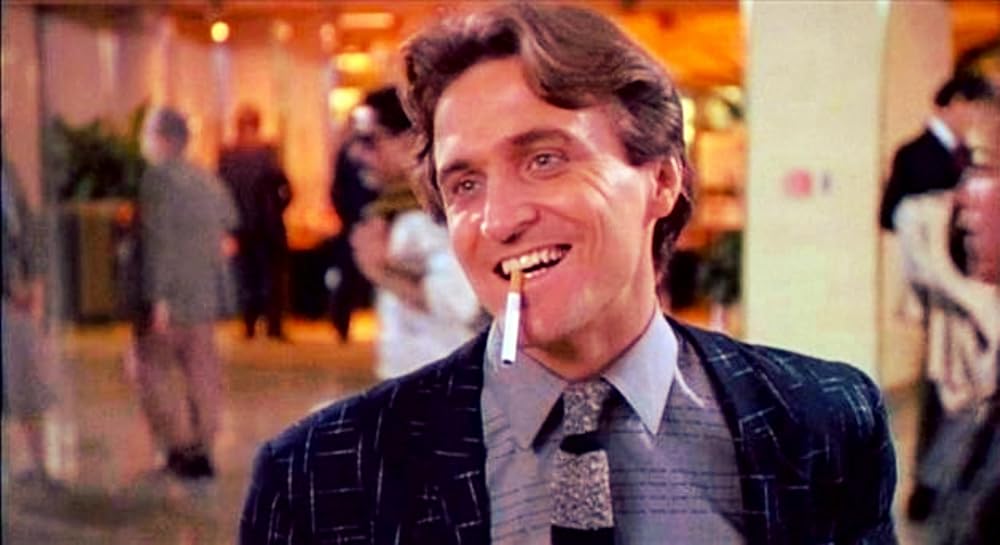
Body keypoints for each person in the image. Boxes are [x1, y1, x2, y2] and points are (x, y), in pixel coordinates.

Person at [240, 4, 896, 544]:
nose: (499, 219)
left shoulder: (822, 423)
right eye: (465, 184)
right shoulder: (320, 476)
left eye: (545, 159)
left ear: (662, 179)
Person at [878, 73, 997, 521]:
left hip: (973, 292)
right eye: (975, 108)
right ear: (956, 103)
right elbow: (891, 215)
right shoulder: (917, 154)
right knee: (944, 388)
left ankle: (953, 484)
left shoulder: (969, 157)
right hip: (947, 296)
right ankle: (928, 490)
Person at [348, 87, 481, 379]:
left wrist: (381, 269)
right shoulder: (396, 209)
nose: (357, 153)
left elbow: (460, 302)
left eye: (370, 141)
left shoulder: (434, 213)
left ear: (411, 141)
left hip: (446, 385)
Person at [136, 106, 238, 480]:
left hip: (172, 296)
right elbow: (229, 223)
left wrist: (158, 296)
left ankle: (179, 447)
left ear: (163, 138)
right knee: (202, 372)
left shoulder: (157, 180)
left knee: (152, 370)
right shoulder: (206, 179)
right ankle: (203, 449)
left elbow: (158, 241)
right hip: (204, 295)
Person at [2, 152, 56, 485]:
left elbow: (25, 227)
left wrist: (32, 278)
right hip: (10, 292)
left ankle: (38, 465)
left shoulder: (7, 170)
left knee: (25, 381)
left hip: (14, 297)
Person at [218, 105, 292, 341]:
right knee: (268, 277)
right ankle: (271, 326)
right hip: (265, 225)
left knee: (250, 277)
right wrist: (277, 208)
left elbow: (221, 191)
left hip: (243, 225)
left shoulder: (229, 156)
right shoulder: (266, 154)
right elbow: (286, 187)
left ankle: (252, 325)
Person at [327, 106, 380, 343]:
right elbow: (337, 189)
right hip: (355, 220)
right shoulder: (349, 152)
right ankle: (342, 322)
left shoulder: (372, 150)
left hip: (367, 218)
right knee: (348, 274)